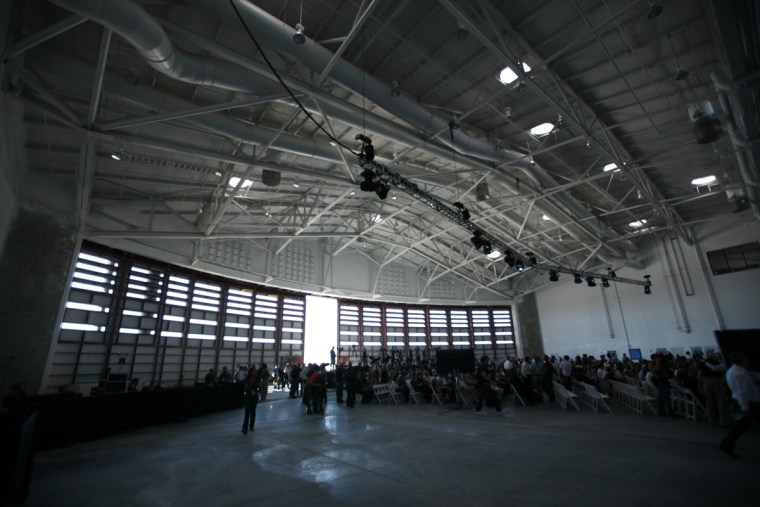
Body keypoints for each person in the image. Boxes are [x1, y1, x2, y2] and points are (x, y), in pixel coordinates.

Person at [719, 350, 760, 458]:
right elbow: (742, 392)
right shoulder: (740, 374)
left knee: (739, 427)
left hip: (746, 401)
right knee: (740, 427)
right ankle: (727, 444)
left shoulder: (734, 371)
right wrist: (745, 407)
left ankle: (727, 444)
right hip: (749, 403)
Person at [241, 370, 260, 435]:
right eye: (254, 372)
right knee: (247, 413)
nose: (255, 373)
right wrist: (251, 384)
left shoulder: (257, 379)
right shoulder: (247, 379)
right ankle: (244, 428)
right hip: (248, 397)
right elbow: (246, 389)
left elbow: (258, 387)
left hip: (254, 397)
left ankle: (251, 426)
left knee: (253, 413)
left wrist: (257, 384)